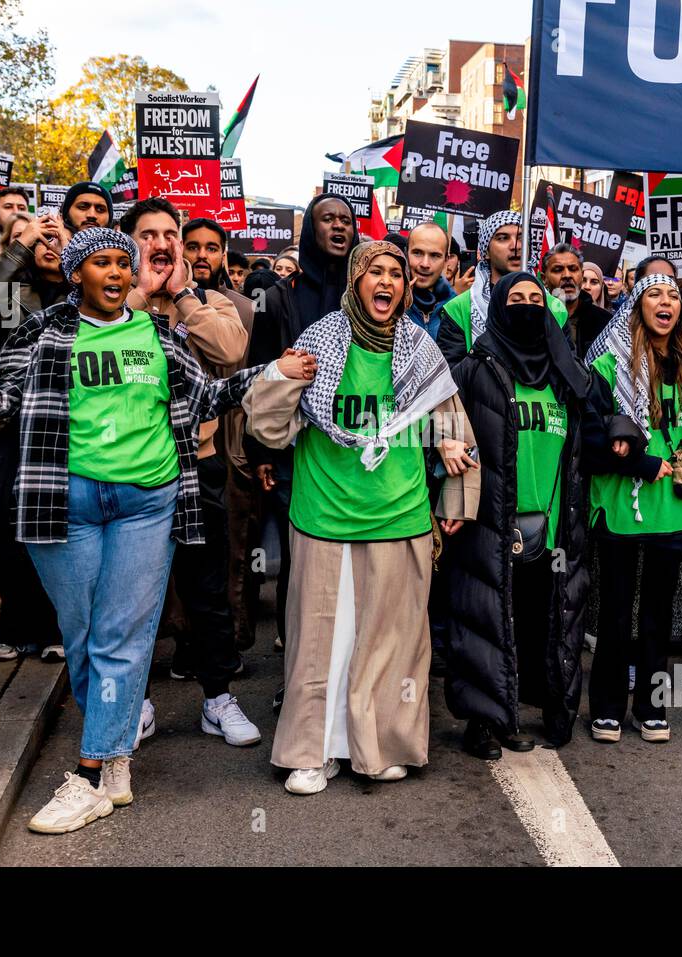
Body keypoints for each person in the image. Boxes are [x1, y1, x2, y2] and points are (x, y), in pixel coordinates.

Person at [0, 227, 311, 831]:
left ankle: (86, 776)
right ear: (76, 272)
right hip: (61, 504)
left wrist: (275, 370)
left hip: (149, 502)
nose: (115, 274)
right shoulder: (42, 330)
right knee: (84, 635)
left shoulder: (163, 334)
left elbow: (209, 396)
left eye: (123, 264)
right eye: (101, 264)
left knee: (121, 636)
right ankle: (115, 759)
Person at [243, 240, 477, 793]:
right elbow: (268, 428)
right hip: (324, 517)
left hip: (399, 518)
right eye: (377, 270)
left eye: (397, 273)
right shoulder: (319, 341)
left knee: (391, 644)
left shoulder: (420, 350)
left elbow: (450, 424)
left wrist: (456, 491)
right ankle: (312, 751)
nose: (389, 281)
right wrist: (282, 376)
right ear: (356, 279)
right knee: (320, 640)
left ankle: (380, 747)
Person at [120, 198, 257, 744]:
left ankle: (218, 698)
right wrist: (138, 294)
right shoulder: (108, 299)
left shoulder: (210, 301)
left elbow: (230, 350)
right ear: (130, 243)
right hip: (129, 470)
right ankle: (136, 702)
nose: (160, 243)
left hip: (198, 468)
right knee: (134, 597)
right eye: (147, 234)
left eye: (168, 234)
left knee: (208, 591)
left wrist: (179, 294)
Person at [444, 270, 591, 757]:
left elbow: (587, 434)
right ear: (497, 308)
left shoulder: (565, 375)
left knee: (538, 623)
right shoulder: (474, 369)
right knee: (486, 619)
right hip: (491, 519)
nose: (527, 306)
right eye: (517, 298)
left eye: (536, 299)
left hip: (551, 524)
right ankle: (482, 724)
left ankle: (522, 712)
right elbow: (447, 435)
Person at [582, 273, 682, 743]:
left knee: (659, 612)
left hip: (677, 507)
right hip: (625, 504)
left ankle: (651, 705)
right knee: (617, 611)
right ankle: (606, 706)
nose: (667, 303)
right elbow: (593, 439)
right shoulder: (607, 363)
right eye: (655, 294)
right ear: (637, 305)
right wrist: (642, 462)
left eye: (674, 296)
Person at [244, 194, 359, 647]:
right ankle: (298, 665)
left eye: (346, 220)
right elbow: (260, 375)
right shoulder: (278, 299)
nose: (338, 226)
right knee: (303, 557)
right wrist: (262, 453)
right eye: (327, 219)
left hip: (356, 446)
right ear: (310, 230)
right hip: (298, 447)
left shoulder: (371, 293)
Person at [0, 209, 70, 663]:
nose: (48, 244)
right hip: (8, 427)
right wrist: (22, 244)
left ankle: (54, 624)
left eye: (57, 237)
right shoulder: (5, 290)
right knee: (6, 527)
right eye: (36, 240)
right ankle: (13, 623)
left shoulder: (83, 290)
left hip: (64, 427)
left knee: (56, 526)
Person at [182, 216, 262, 651]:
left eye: (211, 247)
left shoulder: (241, 307)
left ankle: (229, 645)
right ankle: (184, 644)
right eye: (191, 246)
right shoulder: (156, 303)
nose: (201, 256)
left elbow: (238, 364)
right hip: (175, 446)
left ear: (224, 253)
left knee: (230, 550)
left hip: (228, 441)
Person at [437, 211, 567, 364]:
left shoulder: (555, 308)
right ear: (485, 251)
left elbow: (566, 369)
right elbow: (451, 378)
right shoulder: (459, 308)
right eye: (503, 238)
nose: (515, 246)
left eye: (521, 238)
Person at [542, 242, 611, 358]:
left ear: (581, 274)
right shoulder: (536, 316)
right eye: (558, 270)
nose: (567, 275)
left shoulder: (604, 322)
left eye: (573, 269)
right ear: (544, 279)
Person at [405, 222, 453, 339]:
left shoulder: (457, 309)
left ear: (446, 260)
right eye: (417, 253)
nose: (425, 264)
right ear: (406, 254)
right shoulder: (389, 306)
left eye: (435, 255)